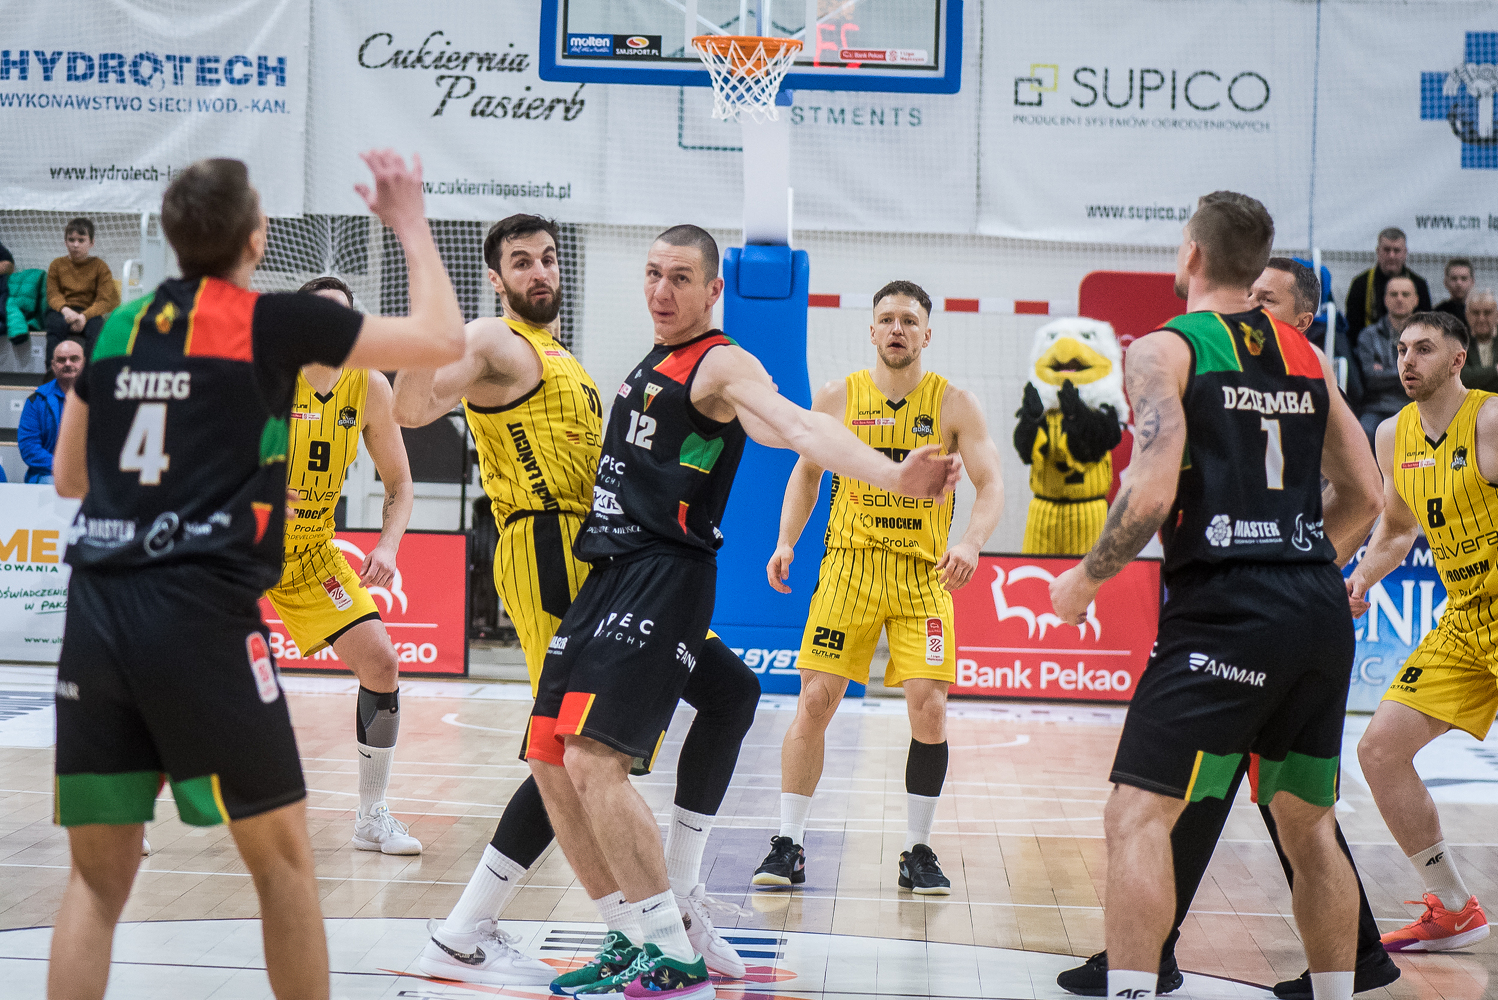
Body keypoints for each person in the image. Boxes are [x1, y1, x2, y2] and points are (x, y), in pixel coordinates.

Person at [45, 151, 465, 1000]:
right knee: (283, 867)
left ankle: (374, 810)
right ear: (256, 239)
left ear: (171, 238)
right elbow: (443, 341)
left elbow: (69, 477)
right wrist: (411, 223)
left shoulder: (116, 331)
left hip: (99, 613)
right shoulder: (273, 324)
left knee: (95, 881)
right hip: (200, 608)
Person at [523, 225, 961, 996]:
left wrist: (894, 476)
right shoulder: (651, 359)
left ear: (713, 289)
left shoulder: (720, 363)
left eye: (680, 277)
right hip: (607, 572)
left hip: (661, 575)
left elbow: (798, 428)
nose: (662, 290)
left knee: (593, 757)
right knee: (548, 756)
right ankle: (630, 935)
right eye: (653, 274)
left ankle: (671, 946)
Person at [393, 216, 761, 987]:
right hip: (547, 550)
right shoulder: (494, 340)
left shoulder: (561, 358)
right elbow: (415, 409)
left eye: (548, 258)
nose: (539, 272)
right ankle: (508, 929)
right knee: (567, 749)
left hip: (617, 559)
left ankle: (669, 899)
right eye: (520, 262)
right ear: (495, 279)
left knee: (729, 693)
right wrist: (428, 328)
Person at [1048, 191, 1383, 1000]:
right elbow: (1367, 492)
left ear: (1192, 254)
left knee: (1137, 815)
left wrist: (1082, 581)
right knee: (1308, 826)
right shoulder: (1306, 356)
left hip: (1226, 610)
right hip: (1315, 608)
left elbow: (1150, 494)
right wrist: (1303, 560)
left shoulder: (1163, 350)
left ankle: (1131, 989)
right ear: (1255, 264)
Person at [753, 280, 1004, 895]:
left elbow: (992, 483)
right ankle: (788, 843)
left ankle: (919, 851)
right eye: (887, 319)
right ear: (871, 331)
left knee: (930, 707)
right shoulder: (839, 396)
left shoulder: (955, 404)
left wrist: (970, 543)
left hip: (923, 577)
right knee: (816, 701)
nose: (897, 329)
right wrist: (786, 541)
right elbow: (806, 475)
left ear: (926, 334)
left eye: (909, 320)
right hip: (850, 569)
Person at [1347, 309, 1495, 953]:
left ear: (1458, 359)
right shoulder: (1391, 434)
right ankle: (1455, 907)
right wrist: (1359, 577)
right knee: (1379, 751)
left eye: (1424, 349)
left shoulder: (1490, 420)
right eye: (1403, 348)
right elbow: (1399, 528)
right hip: (1465, 620)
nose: (1407, 360)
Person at [262, 274, 421, 855]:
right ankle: (133, 812)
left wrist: (387, 546)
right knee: (184, 669)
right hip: (241, 545)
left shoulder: (370, 385)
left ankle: (371, 816)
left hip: (311, 554)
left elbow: (400, 484)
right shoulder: (264, 376)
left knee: (382, 663)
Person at [44, 217, 119, 365]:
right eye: (71, 240)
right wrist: (67, 311)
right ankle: (52, 371)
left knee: (97, 329)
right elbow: (53, 295)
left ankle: (91, 373)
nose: (75, 245)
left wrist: (84, 317)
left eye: (81, 240)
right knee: (54, 325)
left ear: (91, 243)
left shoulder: (100, 266)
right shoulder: (57, 265)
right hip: (62, 311)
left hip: (89, 313)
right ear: (65, 242)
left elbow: (104, 301)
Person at [1356, 274, 1421, 444]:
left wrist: (1384, 372)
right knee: (1361, 434)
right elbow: (1370, 379)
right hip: (1376, 408)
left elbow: (1428, 376)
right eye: (1393, 294)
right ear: (1385, 300)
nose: (1399, 299)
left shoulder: (1427, 337)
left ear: (1415, 300)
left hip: (1416, 406)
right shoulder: (1368, 336)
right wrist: (1409, 373)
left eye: (1405, 294)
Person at [1344, 227, 1431, 347]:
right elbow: (1353, 329)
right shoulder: (1360, 284)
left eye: (1396, 250)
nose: (1391, 256)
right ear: (1378, 251)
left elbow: (1426, 326)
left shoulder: (1419, 285)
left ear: (1405, 252)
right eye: (1386, 250)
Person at [17, 337, 84, 483]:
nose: (68, 363)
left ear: (84, 362)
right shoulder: (36, 401)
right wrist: (64, 468)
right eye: (61, 360)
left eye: (74, 359)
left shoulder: (99, 398)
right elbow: (29, 447)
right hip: (49, 473)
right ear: (53, 366)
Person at [1459, 289, 1498, 392]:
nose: (1481, 319)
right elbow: (1461, 377)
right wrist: (1495, 370)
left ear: (1497, 315)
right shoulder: (1458, 341)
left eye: (1487, 313)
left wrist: (1477, 379)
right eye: (1476, 313)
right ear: (1467, 316)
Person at [1434, 257, 1473, 327]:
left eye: (1464, 278)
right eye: (1454, 278)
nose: (1459, 283)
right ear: (1445, 282)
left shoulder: (1479, 313)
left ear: (1472, 282)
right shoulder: (1437, 313)